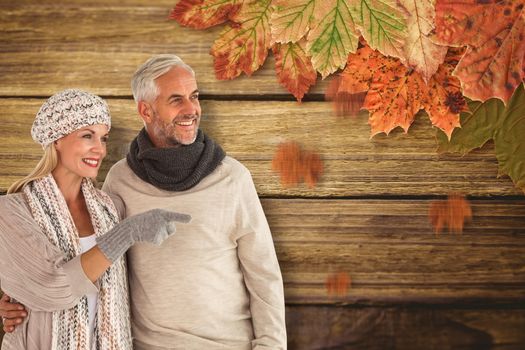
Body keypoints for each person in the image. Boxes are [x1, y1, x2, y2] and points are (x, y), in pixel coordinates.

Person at [1, 55, 287, 349]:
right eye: (176, 100)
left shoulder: (232, 178)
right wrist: (22, 296)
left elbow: (263, 274)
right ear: (145, 111)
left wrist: (271, 345)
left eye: (194, 96)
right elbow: (86, 266)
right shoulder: (120, 181)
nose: (192, 109)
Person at [0, 89, 190, 350]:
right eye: (87, 135)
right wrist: (126, 233)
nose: (99, 149)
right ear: (56, 139)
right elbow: (55, 287)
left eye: (103, 138)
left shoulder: (111, 208)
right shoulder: (12, 210)